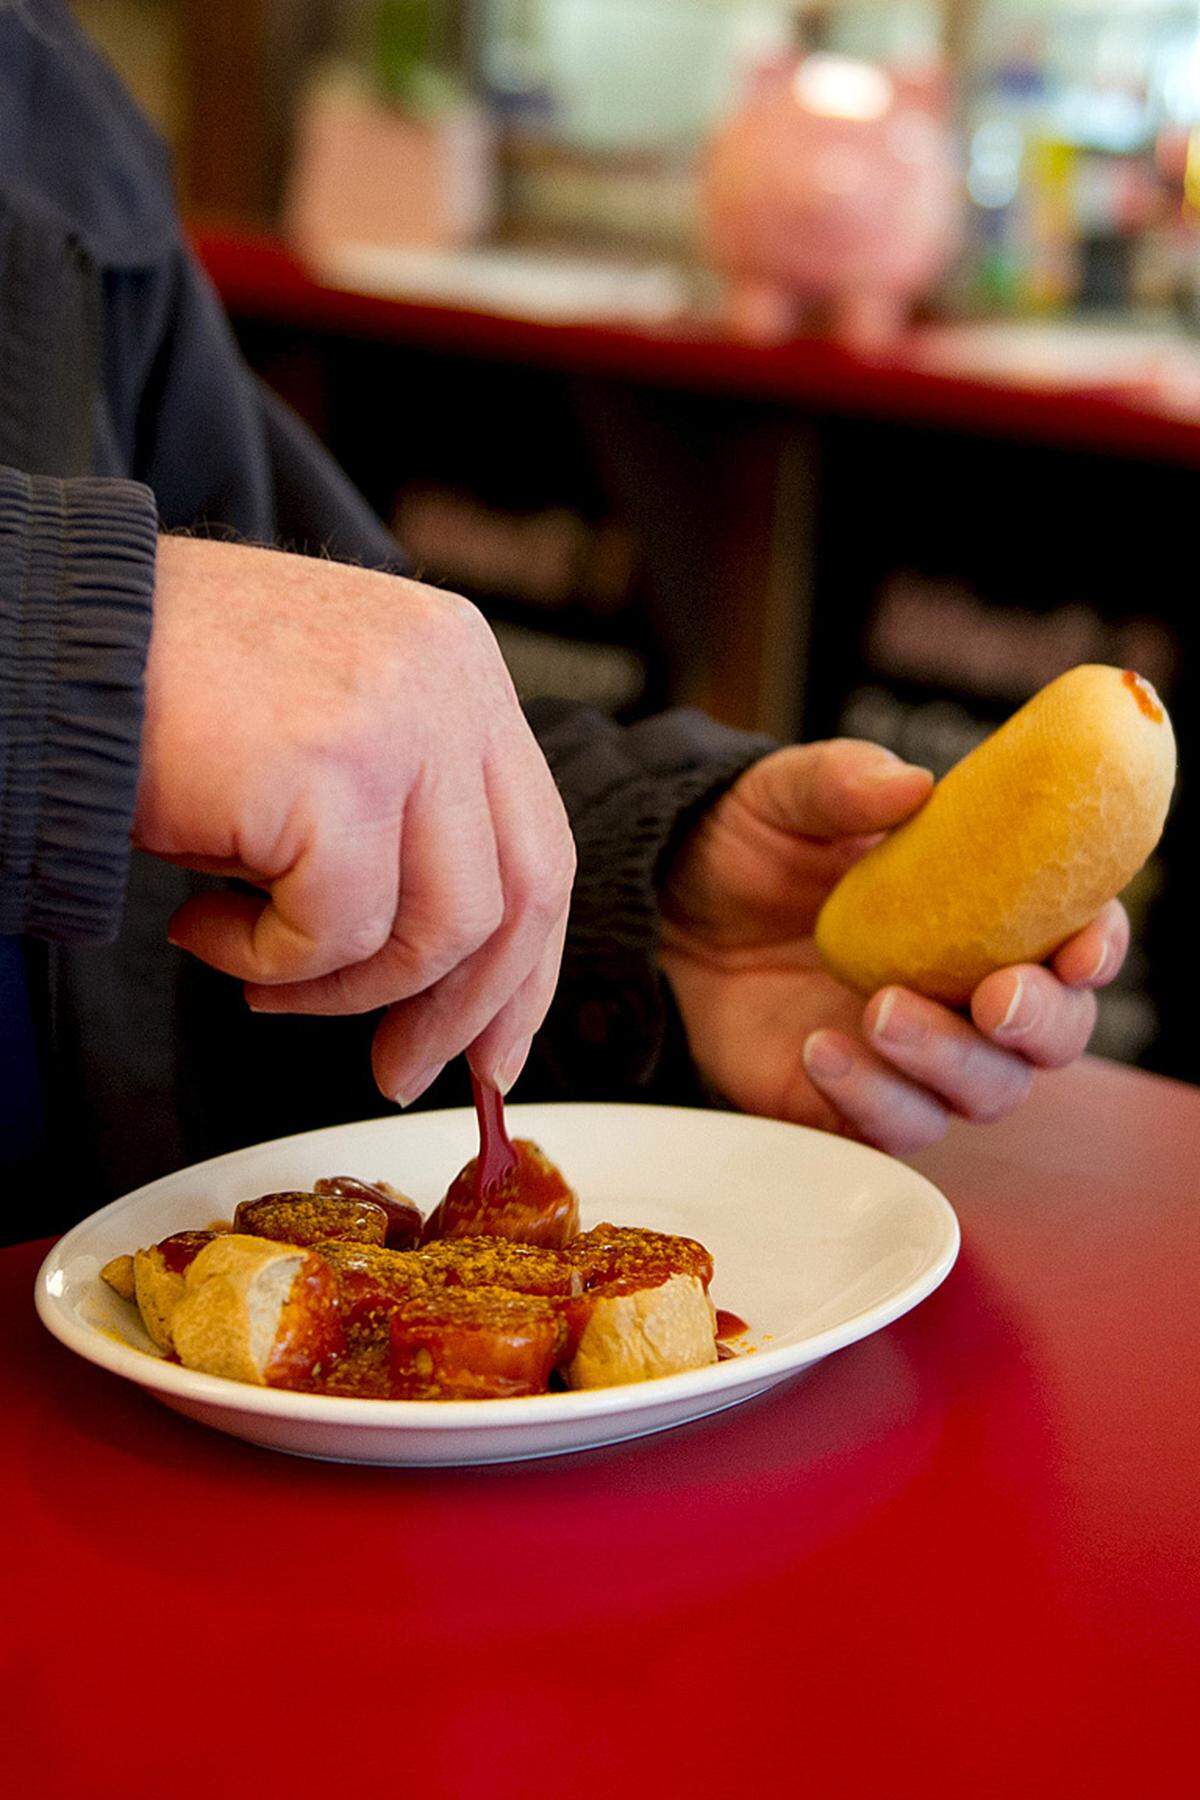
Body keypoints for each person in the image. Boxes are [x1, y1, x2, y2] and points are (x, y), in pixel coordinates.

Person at [0, 1, 1127, 1237]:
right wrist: (72, 640)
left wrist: (634, 935)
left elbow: (269, 811)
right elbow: (158, 652)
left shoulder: (43, 103)